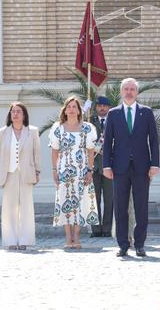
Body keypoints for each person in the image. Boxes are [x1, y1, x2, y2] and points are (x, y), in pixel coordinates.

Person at [103, 78, 160, 257]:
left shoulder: (147, 113)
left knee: (141, 206)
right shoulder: (113, 114)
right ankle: (123, 244)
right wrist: (106, 166)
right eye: (126, 89)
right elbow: (107, 143)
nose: (129, 92)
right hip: (119, 167)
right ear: (121, 92)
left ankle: (140, 244)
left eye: (132, 89)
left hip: (142, 167)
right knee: (120, 207)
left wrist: (155, 164)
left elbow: (153, 140)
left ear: (137, 92)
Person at [49, 95, 99, 249]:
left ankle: (77, 236)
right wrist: (55, 170)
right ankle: (68, 238)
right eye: (69, 107)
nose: (71, 110)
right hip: (64, 171)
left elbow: (91, 152)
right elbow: (55, 152)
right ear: (65, 110)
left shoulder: (87, 128)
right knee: (65, 202)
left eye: (74, 107)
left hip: (82, 170)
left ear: (79, 111)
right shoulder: (58, 128)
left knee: (80, 203)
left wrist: (90, 170)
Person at [0, 101, 41, 250]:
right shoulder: (2, 132)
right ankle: (10, 240)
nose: (15, 114)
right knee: (9, 208)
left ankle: (25, 239)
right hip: (8, 173)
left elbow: (36, 153)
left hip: (26, 172)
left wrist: (37, 171)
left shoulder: (32, 131)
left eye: (18, 111)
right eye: (13, 111)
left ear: (24, 114)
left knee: (26, 207)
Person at [89, 96, 114, 238]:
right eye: (99, 106)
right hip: (93, 166)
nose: (102, 108)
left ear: (109, 107)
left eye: (105, 105)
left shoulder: (114, 121)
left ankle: (107, 229)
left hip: (109, 165)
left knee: (109, 199)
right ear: (95, 107)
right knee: (94, 199)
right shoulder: (89, 121)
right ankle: (96, 229)